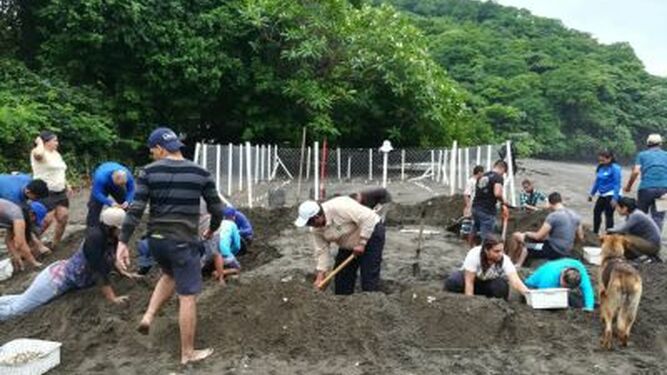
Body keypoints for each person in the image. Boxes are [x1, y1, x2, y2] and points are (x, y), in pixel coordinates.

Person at [115, 127, 223, 365]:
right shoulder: (201, 173)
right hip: (183, 241)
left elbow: (135, 209)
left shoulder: (148, 172)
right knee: (187, 296)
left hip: (156, 242)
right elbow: (218, 209)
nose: (152, 155)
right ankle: (188, 353)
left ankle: (148, 316)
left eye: (152, 151)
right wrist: (213, 229)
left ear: (161, 149)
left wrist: (123, 241)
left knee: (168, 274)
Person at [0, 208, 134, 321]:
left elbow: (110, 257)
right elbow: (98, 270)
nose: (123, 232)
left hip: (64, 277)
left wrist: (123, 272)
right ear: (111, 227)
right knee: (15, 311)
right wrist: (113, 298)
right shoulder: (95, 239)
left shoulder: (110, 237)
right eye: (121, 229)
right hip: (55, 281)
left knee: (22, 300)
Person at [294, 196, 385, 295]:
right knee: (342, 278)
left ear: (317, 217)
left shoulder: (340, 207)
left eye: (309, 222)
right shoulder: (315, 229)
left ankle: (370, 301)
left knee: (369, 275)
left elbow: (368, 218)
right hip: (348, 241)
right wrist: (321, 276)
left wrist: (362, 243)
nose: (310, 225)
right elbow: (322, 251)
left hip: (371, 231)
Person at [510, 192, 583, 268]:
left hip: (554, 250)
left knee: (527, 246)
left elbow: (538, 236)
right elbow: (580, 237)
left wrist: (526, 233)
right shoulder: (576, 216)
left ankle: (518, 265)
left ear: (550, 203)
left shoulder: (553, 216)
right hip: (567, 250)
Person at [444, 234, 529, 300]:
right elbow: (469, 282)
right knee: (454, 281)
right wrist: (469, 302)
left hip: (488, 284)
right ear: (486, 250)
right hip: (472, 280)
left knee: (501, 286)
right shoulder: (474, 255)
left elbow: (515, 281)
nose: (500, 254)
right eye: (496, 251)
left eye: (502, 250)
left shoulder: (504, 259)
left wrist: (529, 295)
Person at [31, 130, 71, 248]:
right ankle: (30, 244)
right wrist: (39, 143)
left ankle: (55, 244)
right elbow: (38, 155)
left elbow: (59, 170)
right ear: (46, 142)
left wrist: (66, 184)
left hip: (60, 190)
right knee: (45, 221)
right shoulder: (38, 152)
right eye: (55, 140)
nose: (57, 143)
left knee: (63, 217)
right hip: (46, 192)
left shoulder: (56, 154)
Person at [624, 134, 667, 231]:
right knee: (658, 218)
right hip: (664, 190)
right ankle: (654, 242)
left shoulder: (642, 155)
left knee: (641, 215)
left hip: (646, 189)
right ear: (660, 144)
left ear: (648, 143)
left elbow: (635, 172)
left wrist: (628, 186)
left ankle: (640, 240)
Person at [524, 259, 595, 311]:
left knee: (579, 303)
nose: (565, 288)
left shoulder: (579, 269)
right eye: (564, 286)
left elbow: (587, 289)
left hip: (554, 286)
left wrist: (589, 307)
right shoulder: (550, 277)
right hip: (533, 287)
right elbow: (542, 297)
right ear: (562, 273)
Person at [606, 197, 661, 261]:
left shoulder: (636, 215)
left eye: (617, 207)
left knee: (622, 238)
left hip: (652, 245)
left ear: (625, 208)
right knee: (621, 236)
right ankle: (635, 255)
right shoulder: (632, 214)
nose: (616, 209)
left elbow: (622, 229)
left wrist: (608, 230)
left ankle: (644, 256)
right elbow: (621, 227)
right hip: (646, 242)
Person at [1, 198, 47, 270]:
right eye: (34, 220)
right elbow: (20, 243)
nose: (32, 223)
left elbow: (8, 240)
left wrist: (16, 256)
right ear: (31, 214)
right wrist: (35, 263)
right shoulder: (18, 216)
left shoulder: (14, 212)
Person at [87, 161, 136, 227]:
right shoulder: (100, 177)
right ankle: (92, 227)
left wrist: (128, 201)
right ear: (113, 178)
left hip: (115, 183)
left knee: (125, 203)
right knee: (94, 206)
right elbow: (96, 193)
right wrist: (110, 202)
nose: (122, 185)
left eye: (123, 184)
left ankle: (126, 224)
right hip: (102, 185)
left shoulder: (128, 175)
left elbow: (131, 189)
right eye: (120, 184)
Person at [471, 160, 510, 241]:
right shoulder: (498, 177)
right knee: (487, 236)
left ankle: (471, 249)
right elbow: (497, 193)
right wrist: (503, 201)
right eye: (504, 172)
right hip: (487, 209)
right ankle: (484, 252)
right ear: (502, 168)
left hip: (475, 206)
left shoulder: (483, 176)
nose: (503, 174)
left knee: (474, 229)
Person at [589, 151, 622, 234]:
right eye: (600, 160)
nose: (601, 162)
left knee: (608, 214)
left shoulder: (615, 168)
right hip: (602, 193)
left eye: (603, 160)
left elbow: (617, 183)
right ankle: (595, 232)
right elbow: (597, 182)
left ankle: (609, 234)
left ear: (609, 159)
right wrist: (591, 193)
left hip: (611, 192)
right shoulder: (601, 167)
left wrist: (615, 198)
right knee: (596, 211)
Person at [211, 208, 242, 284]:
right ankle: (220, 272)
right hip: (224, 254)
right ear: (233, 217)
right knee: (238, 268)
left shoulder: (219, 223)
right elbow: (237, 245)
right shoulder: (233, 225)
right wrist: (231, 252)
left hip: (212, 253)